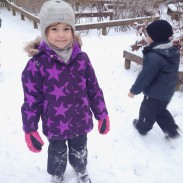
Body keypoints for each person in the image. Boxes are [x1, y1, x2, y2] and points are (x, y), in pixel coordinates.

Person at [21, 1, 110, 183]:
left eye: (66, 29)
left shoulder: (82, 59)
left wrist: (101, 113)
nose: (61, 35)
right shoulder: (36, 64)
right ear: (45, 31)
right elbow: (31, 100)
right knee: (57, 151)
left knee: (80, 148)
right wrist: (30, 128)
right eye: (54, 29)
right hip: (55, 123)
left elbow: (93, 88)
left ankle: (80, 169)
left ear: (73, 30)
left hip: (80, 120)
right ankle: (57, 173)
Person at [128, 20, 180, 139]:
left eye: (147, 35)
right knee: (160, 110)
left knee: (147, 111)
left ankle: (142, 126)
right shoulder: (172, 51)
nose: (145, 36)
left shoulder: (154, 57)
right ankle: (171, 130)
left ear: (156, 38)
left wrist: (133, 91)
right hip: (167, 91)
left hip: (154, 94)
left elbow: (144, 77)